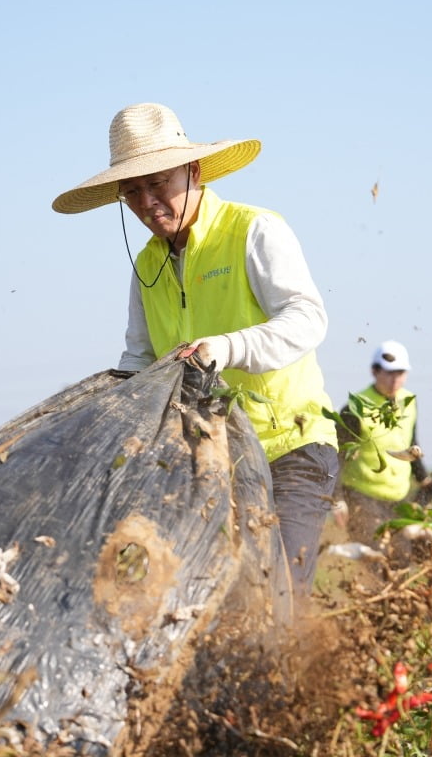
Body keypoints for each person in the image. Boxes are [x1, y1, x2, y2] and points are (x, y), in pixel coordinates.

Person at [52, 103, 338, 596]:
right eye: (132, 191)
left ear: (194, 171)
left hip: (289, 447)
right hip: (209, 458)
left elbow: (308, 319)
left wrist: (227, 348)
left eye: (158, 183)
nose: (147, 202)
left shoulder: (253, 231)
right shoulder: (146, 266)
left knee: (277, 591)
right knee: (205, 597)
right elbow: (140, 361)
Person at [334, 340, 427, 541]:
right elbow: (337, 455)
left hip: (399, 499)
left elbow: (412, 444)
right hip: (361, 497)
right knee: (376, 556)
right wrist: (337, 499)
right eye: (389, 373)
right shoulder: (355, 407)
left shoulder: (409, 402)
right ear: (375, 371)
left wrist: (425, 480)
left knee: (402, 560)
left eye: (400, 373)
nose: (395, 380)